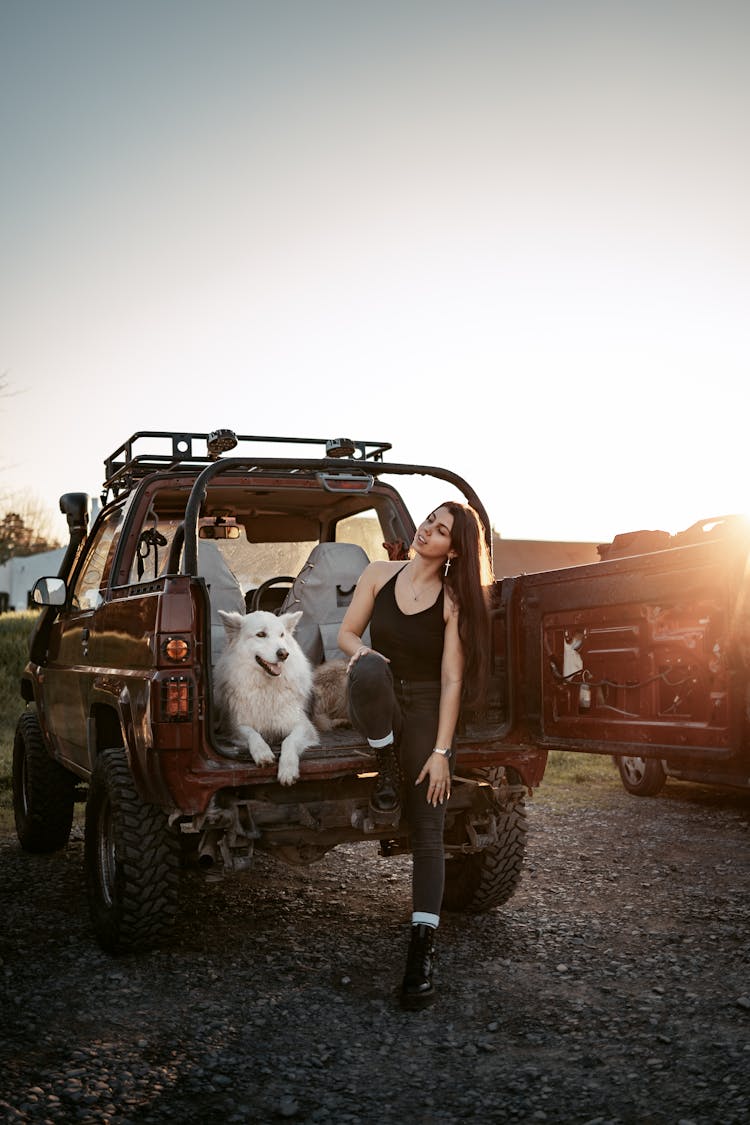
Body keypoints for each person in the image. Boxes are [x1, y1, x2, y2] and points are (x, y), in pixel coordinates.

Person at [337, 500, 493, 1009]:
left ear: (455, 547)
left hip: (426, 702)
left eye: (441, 530)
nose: (428, 530)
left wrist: (443, 751)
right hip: (377, 693)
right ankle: (386, 767)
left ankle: (422, 949)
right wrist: (364, 656)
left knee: (429, 827)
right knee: (366, 668)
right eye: (429, 520)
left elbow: (452, 679)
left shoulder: (452, 599)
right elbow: (347, 634)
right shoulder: (378, 573)